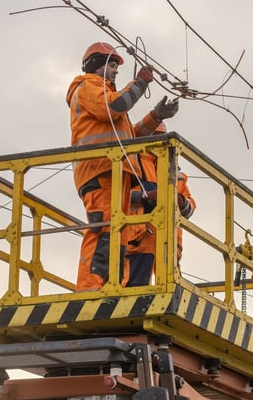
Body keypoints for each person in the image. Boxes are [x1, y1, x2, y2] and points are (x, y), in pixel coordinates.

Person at [68, 42, 179, 291]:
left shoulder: (102, 94)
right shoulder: (87, 87)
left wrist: (156, 116)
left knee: (117, 233)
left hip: (115, 172)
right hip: (100, 170)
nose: (117, 71)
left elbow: (132, 136)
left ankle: (111, 287)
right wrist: (140, 82)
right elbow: (117, 106)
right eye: (113, 66)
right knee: (104, 229)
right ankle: (90, 290)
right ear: (98, 65)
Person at [123, 122, 196, 286]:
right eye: (154, 136)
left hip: (168, 244)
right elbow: (117, 195)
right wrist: (145, 196)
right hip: (140, 239)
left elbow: (190, 209)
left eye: (161, 137)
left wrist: (181, 201)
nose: (158, 142)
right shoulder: (132, 162)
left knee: (171, 292)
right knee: (133, 292)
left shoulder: (176, 174)